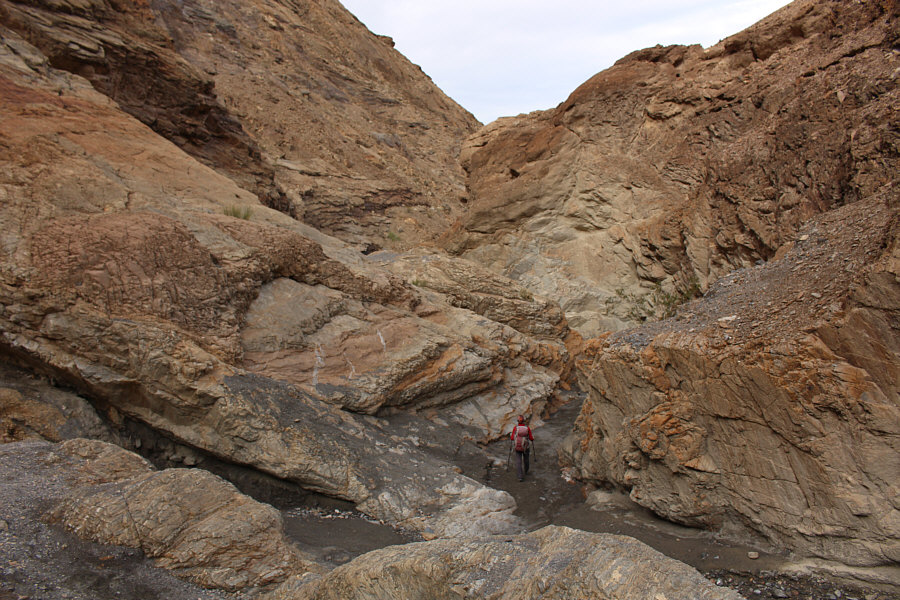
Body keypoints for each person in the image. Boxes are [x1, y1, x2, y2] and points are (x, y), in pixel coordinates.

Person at [510, 415, 534, 482]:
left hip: (517, 447)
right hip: (525, 446)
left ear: (518, 421)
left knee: (518, 461)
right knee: (526, 459)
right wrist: (532, 439)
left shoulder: (516, 428)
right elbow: (531, 438)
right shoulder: (527, 428)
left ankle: (520, 476)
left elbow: (512, 438)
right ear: (524, 421)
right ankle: (526, 470)